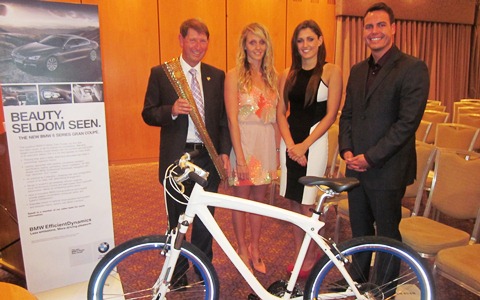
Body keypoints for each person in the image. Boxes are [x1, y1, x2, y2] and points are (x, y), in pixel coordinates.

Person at [338, 2, 429, 293]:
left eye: (380, 25)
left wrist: (371, 158)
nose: (374, 31)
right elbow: (348, 114)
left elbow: (406, 124)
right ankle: (358, 280)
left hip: (387, 169)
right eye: (368, 26)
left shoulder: (413, 68)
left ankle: (383, 289)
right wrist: (347, 151)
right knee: (360, 230)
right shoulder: (357, 69)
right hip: (356, 167)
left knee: (387, 234)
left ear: (393, 28)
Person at [142, 18, 231, 285]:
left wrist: (224, 152)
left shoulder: (216, 75)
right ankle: (177, 272)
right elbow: (147, 113)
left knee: (206, 219)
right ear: (181, 40)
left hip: (208, 156)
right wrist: (170, 110)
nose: (198, 46)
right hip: (177, 158)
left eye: (203, 40)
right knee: (177, 219)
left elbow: (222, 120)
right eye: (193, 40)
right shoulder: (162, 73)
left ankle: (203, 268)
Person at [277, 20, 342, 278]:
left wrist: (304, 144)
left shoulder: (331, 71)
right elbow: (281, 113)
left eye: (309, 39)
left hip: (314, 143)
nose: (305, 45)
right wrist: (292, 145)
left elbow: (331, 115)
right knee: (293, 201)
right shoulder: (287, 74)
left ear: (320, 40)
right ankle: (300, 253)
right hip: (290, 142)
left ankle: (315, 255)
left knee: (309, 204)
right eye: (300, 40)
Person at [225, 23, 278, 274]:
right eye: (252, 42)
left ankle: (256, 247)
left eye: (262, 42)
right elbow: (232, 119)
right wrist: (241, 159)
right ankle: (242, 249)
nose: (257, 47)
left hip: (266, 143)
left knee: (260, 203)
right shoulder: (233, 75)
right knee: (241, 202)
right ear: (244, 45)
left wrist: (277, 154)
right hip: (244, 144)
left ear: (267, 46)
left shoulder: (272, 76)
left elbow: (277, 118)